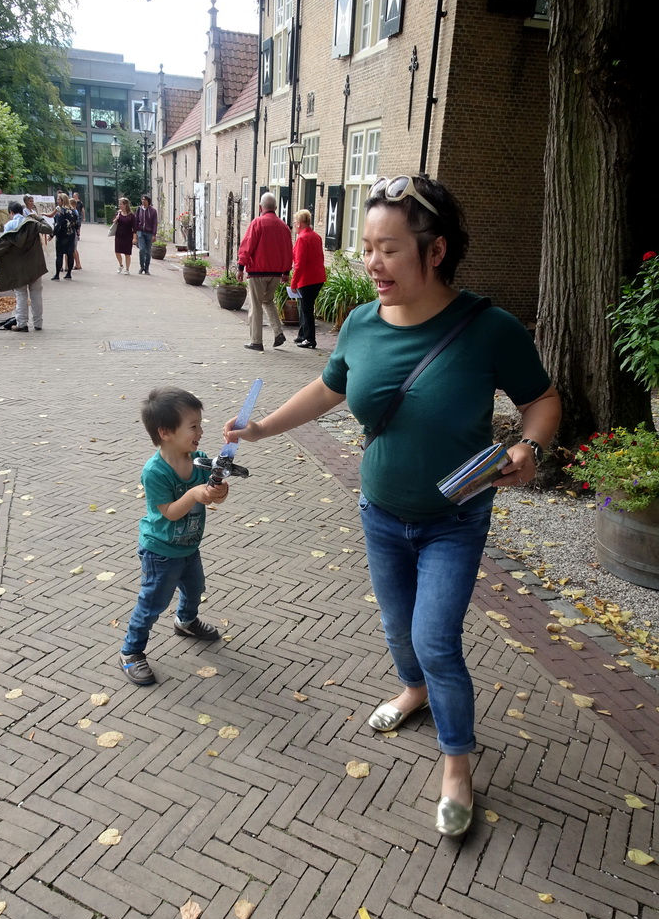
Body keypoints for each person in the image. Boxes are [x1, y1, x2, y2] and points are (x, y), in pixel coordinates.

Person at [224, 174, 561, 837]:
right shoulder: (359, 323)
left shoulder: (487, 329)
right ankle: (413, 692)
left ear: (434, 251)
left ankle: (457, 765)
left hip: (455, 518)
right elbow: (327, 391)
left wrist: (529, 446)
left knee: (436, 640)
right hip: (380, 510)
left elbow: (542, 401)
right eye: (367, 247)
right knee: (398, 628)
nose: (372, 263)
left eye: (390, 249)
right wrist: (262, 428)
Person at [119, 387, 230, 686]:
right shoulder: (155, 472)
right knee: (153, 602)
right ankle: (131, 652)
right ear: (166, 432)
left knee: (196, 588)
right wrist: (195, 493)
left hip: (188, 546)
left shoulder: (200, 459)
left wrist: (218, 491)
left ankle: (186, 621)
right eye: (193, 426)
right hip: (161, 551)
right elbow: (169, 512)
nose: (201, 431)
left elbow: (213, 495)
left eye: (200, 424)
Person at [0, 201, 47, 332]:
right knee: (36, 294)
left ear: (10, 213)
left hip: (17, 270)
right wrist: (37, 217)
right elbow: (49, 228)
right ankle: (38, 323)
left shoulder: (9, 233)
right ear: (22, 212)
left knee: (21, 295)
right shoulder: (32, 225)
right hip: (34, 267)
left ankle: (22, 324)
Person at [237, 192, 293, 351]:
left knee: (255, 305)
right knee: (268, 301)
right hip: (275, 273)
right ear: (275, 208)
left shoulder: (257, 223)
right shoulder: (284, 227)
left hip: (258, 272)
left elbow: (247, 246)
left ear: (260, 207)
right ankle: (278, 332)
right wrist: (286, 272)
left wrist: (241, 267)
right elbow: (289, 251)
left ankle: (256, 341)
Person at [291, 209, 326, 349]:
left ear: (299, 223)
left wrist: (293, 282)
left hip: (307, 279)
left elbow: (299, 264)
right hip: (318, 277)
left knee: (306, 308)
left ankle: (310, 339)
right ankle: (302, 335)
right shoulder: (316, 236)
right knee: (304, 306)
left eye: (295, 221)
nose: (293, 224)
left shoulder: (302, 239)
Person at [49, 192, 79, 280]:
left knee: (59, 254)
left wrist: (52, 235)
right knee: (70, 254)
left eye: (58, 199)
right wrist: (76, 232)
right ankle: (69, 273)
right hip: (71, 235)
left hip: (62, 236)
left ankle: (57, 274)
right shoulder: (73, 211)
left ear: (62, 200)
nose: (57, 200)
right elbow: (77, 224)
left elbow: (58, 225)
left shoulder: (61, 211)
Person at [113, 196, 138, 274]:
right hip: (119, 235)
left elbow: (134, 228)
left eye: (121, 204)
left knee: (127, 253)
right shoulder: (118, 213)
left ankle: (127, 269)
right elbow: (114, 222)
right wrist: (116, 219)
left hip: (127, 236)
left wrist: (134, 238)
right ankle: (121, 265)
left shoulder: (131, 215)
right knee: (117, 252)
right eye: (119, 204)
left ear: (125, 205)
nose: (119, 205)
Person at [136, 194, 158, 274]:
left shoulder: (153, 211)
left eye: (145, 200)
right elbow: (136, 220)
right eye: (142, 200)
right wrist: (135, 232)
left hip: (149, 233)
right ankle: (142, 266)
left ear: (148, 201)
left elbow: (155, 223)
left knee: (148, 252)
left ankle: (147, 268)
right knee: (141, 249)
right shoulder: (139, 209)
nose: (143, 201)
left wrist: (154, 234)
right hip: (140, 231)